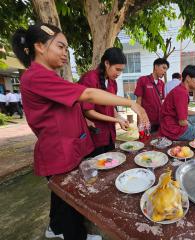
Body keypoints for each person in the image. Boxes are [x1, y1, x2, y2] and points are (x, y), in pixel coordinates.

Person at [11, 23, 149, 240]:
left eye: (66, 48)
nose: (65, 53)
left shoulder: (50, 77)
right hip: (59, 151)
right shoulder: (36, 76)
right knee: (71, 200)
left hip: (69, 146)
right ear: (39, 46)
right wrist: (131, 104)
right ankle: (75, 235)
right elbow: (89, 96)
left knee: (61, 196)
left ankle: (55, 229)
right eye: (60, 46)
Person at [79, 47, 129, 157]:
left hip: (109, 134)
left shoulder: (113, 83)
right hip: (95, 135)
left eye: (121, 70)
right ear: (106, 63)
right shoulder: (90, 78)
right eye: (117, 69)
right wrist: (115, 119)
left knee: (111, 162)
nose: (119, 73)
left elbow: (111, 107)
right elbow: (88, 112)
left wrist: (120, 118)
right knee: (98, 166)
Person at [159, 65, 195, 141]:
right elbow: (182, 122)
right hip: (173, 131)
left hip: (168, 126)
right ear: (188, 78)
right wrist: (193, 125)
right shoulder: (181, 93)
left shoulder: (180, 89)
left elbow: (183, 112)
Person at [134, 58, 169, 132]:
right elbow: (138, 101)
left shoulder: (162, 83)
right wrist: (139, 119)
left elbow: (162, 101)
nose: (165, 71)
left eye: (166, 69)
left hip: (159, 121)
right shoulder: (143, 80)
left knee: (158, 141)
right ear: (156, 67)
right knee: (146, 141)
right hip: (146, 120)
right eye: (164, 68)